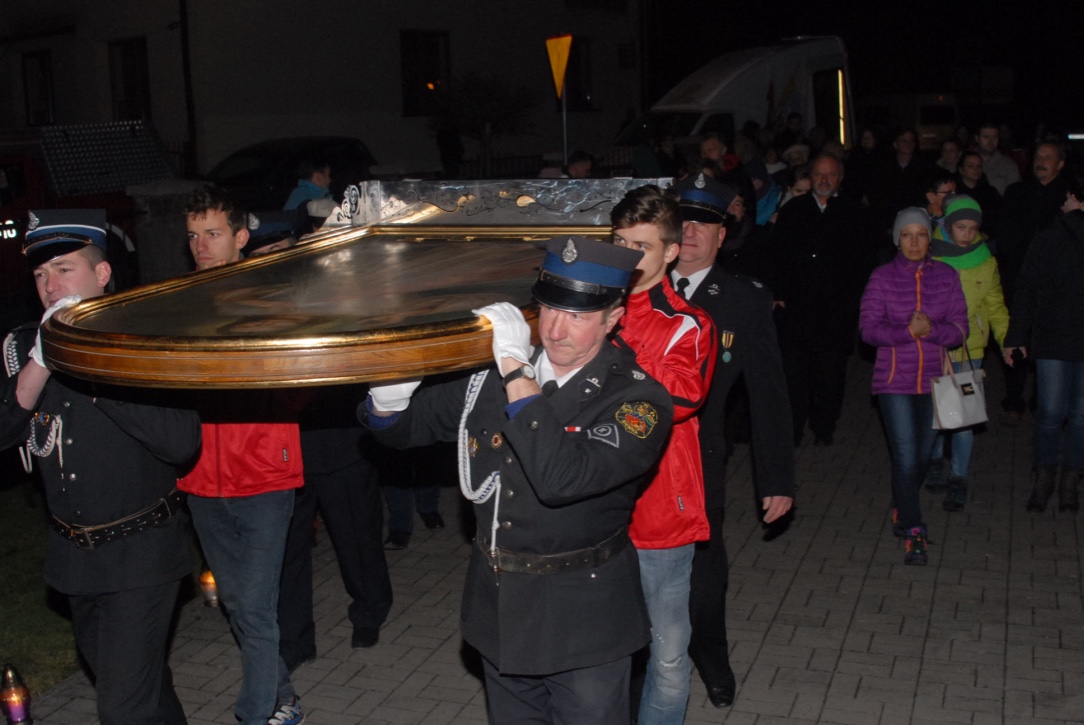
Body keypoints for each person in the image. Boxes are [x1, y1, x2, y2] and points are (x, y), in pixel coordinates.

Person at [363, 236, 674, 725]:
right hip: (502, 606)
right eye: (549, 309)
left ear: (612, 319)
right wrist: (388, 398)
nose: (555, 329)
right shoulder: (490, 377)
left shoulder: (637, 401)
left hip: (584, 617)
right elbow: (407, 431)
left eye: (578, 316)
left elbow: (562, 479)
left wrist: (515, 372)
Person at [0, 209, 200, 724]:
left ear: (102, 274)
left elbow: (181, 442)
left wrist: (90, 364)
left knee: (121, 708)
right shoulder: (24, 345)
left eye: (64, 269)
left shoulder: (143, 337)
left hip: (142, 553)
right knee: (143, 690)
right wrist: (41, 363)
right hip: (75, 558)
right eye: (40, 274)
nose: (50, 286)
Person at [180, 186, 307, 725]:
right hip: (200, 479)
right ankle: (284, 698)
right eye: (193, 236)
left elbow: (302, 386)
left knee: (254, 607)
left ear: (240, 237)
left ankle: (254, 714)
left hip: (263, 475)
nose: (201, 246)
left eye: (212, 234)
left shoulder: (271, 302)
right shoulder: (179, 302)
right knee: (236, 603)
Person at [670, 176, 795, 708]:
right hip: (633, 457)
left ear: (722, 235)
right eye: (683, 221)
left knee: (704, 571)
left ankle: (710, 655)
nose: (691, 231)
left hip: (701, 457)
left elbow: (769, 395)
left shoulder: (743, 300)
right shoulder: (638, 290)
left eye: (705, 223)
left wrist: (777, 479)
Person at [610, 185, 716, 724]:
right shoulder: (588, 306)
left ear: (671, 251)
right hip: (588, 504)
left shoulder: (687, 323)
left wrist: (609, 355)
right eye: (620, 243)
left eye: (642, 246)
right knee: (597, 653)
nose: (628, 256)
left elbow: (677, 399)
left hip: (659, 511)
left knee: (668, 655)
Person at [859, 208, 967, 565]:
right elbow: (868, 330)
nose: (915, 242)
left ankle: (901, 505)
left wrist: (932, 330)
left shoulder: (947, 276)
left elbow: (960, 329)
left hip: (935, 382)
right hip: (894, 382)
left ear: (930, 239)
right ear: (897, 239)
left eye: (921, 234)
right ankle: (915, 529)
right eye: (907, 235)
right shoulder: (881, 277)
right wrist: (907, 332)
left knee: (920, 458)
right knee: (905, 457)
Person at [278, 386, 394, 668]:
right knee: (287, 550)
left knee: (358, 537)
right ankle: (295, 639)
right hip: (287, 448)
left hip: (343, 438)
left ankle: (370, 612)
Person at [770, 154, 873, 446]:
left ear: (840, 178)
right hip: (797, 309)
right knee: (795, 374)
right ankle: (793, 429)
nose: (824, 180)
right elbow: (777, 256)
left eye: (830, 175)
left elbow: (863, 262)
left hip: (836, 312)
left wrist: (854, 302)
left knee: (830, 375)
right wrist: (779, 294)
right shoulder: (794, 210)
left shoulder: (855, 213)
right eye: (818, 174)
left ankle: (824, 427)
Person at [1003, 173, 1084, 514]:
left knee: (1075, 415)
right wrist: (1016, 335)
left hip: (1063, 338)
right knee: (1054, 413)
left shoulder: (1058, 233)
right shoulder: (1049, 237)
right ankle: (1047, 476)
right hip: (1053, 338)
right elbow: (1027, 287)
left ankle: (1068, 480)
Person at [927, 195, 1009, 510]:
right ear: (948, 225)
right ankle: (934, 461)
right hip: (934, 347)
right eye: (961, 227)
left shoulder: (985, 260)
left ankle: (958, 478)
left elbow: (996, 305)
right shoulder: (929, 254)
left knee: (964, 416)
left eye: (973, 228)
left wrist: (1007, 341)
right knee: (936, 412)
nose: (967, 234)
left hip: (970, 349)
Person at [996, 141, 1071, 425]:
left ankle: (1043, 401)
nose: (1041, 161)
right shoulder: (1016, 192)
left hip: (1055, 285)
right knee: (1016, 337)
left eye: (1048, 158)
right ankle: (1013, 401)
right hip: (1019, 279)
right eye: (1038, 156)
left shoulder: (1068, 196)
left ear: (1060, 164)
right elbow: (1004, 234)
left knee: (1048, 343)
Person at [974, 122, 1020, 196]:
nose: (991, 141)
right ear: (977, 138)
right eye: (986, 137)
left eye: (994, 137)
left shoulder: (1008, 164)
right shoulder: (964, 161)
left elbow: (1014, 194)